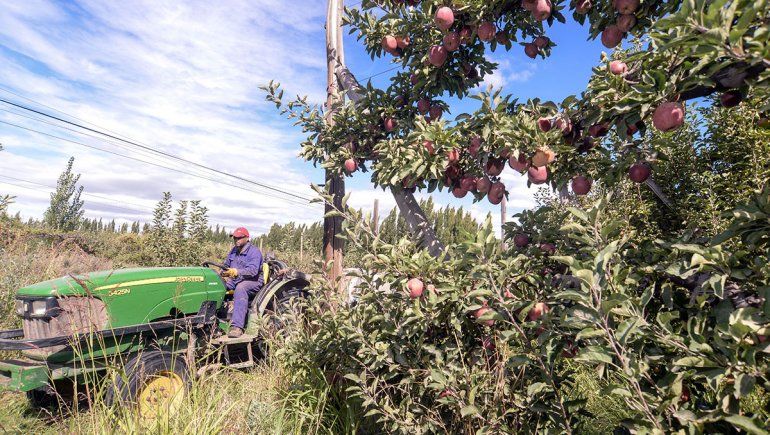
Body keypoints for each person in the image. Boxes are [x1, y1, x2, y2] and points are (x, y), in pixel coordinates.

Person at [221, 227, 263, 338]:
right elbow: (226, 265)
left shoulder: (254, 252)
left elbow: (253, 271)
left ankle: (237, 327)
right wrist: (222, 272)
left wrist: (236, 271)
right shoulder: (233, 251)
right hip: (236, 280)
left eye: (239, 238)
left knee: (241, 288)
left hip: (253, 281)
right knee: (218, 286)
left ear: (247, 238)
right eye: (235, 238)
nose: (236, 240)